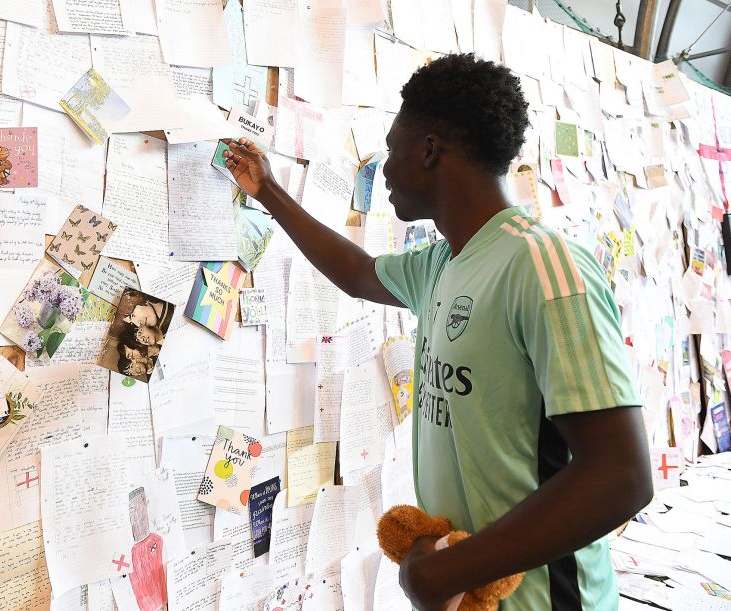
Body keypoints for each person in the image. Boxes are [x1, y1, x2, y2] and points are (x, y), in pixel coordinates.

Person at [222, 53, 652, 610]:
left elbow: (621, 475)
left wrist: (441, 573)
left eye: (391, 150)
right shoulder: (442, 263)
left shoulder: (545, 267)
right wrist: (268, 193)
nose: (386, 170)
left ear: (429, 150)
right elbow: (357, 273)